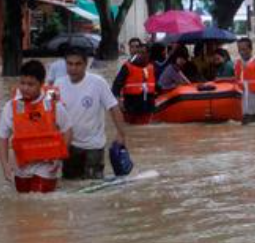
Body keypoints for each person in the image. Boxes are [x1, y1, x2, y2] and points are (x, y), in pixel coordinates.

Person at [55, 47, 127, 180]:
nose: (73, 68)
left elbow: (113, 108)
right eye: (69, 64)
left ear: (86, 64)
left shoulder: (98, 82)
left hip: (94, 145)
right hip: (69, 145)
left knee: (93, 184)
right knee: (70, 184)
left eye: (78, 64)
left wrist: (121, 134)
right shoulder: (58, 84)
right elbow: (52, 115)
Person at [0, 60, 72, 193]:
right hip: (21, 166)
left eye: (30, 84)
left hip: (47, 165)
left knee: (39, 200)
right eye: (22, 83)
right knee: (24, 203)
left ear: (41, 84)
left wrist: (59, 157)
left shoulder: (53, 104)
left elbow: (67, 130)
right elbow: (3, 138)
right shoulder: (11, 106)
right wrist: (5, 165)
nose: (25, 88)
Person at [111, 47, 156, 125]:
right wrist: (118, 102)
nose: (140, 55)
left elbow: (155, 85)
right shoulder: (127, 67)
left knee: (145, 128)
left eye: (143, 53)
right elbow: (116, 85)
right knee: (130, 127)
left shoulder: (151, 67)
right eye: (138, 53)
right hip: (131, 104)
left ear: (148, 54)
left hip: (148, 104)